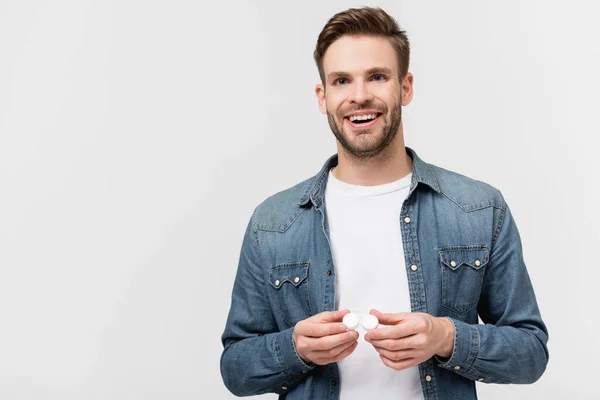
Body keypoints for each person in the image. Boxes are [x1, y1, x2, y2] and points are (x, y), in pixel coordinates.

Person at [220, 6, 549, 400]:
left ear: (405, 87)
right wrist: (296, 348)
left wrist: (446, 336)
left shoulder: (479, 208)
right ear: (323, 97)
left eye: (377, 76)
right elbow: (235, 369)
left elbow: (531, 354)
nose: (359, 96)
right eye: (342, 81)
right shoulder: (273, 222)